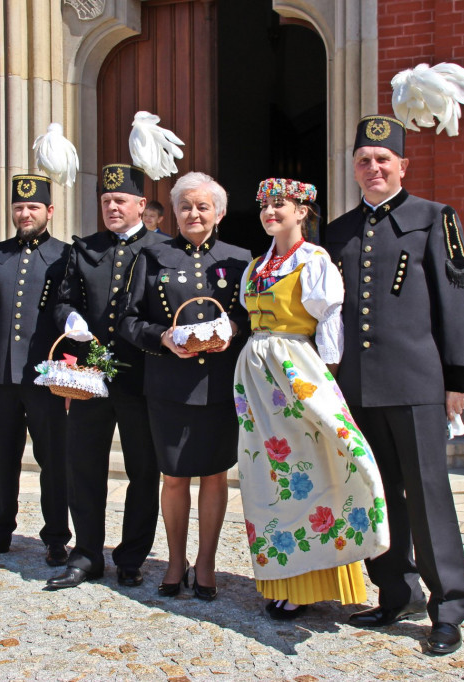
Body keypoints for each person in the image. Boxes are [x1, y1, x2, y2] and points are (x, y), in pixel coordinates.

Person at [323, 115, 464, 655]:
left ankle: (449, 607)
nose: (372, 168)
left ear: (402, 166)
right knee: (376, 495)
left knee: (429, 495)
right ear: (354, 169)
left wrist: (460, 377)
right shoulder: (337, 232)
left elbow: (457, 301)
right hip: (357, 387)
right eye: (363, 161)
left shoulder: (435, 219)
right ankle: (395, 592)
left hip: (417, 382)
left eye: (382, 159)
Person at [233, 178, 390, 621]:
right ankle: (283, 578)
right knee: (268, 476)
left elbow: (329, 323)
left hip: (296, 371)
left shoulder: (314, 261)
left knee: (306, 469)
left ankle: (314, 582)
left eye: (279, 205)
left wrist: (327, 379)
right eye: (264, 205)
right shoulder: (257, 265)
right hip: (256, 375)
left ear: (303, 211)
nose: (270, 212)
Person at [119, 172, 251, 600]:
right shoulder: (152, 256)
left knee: (214, 476)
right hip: (168, 384)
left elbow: (254, 319)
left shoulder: (240, 258)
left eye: (202, 206)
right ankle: (176, 561)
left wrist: (233, 325)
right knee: (173, 476)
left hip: (219, 384)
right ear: (173, 212)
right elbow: (128, 319)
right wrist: (161, 337)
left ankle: (207, 562)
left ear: (220, 212)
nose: (193, 213)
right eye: (185, 206)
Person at [45, 162, 166, 590]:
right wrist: (71, 317)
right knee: (84, 467)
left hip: (143, 381)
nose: (112, 208)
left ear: (140, 204)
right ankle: (86, 554)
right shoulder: (84, 249)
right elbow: (61, 301)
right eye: (105, 201)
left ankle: (132, 556)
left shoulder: (162, 248)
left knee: (143, 471)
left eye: (120, 201)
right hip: (90, 381)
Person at [0, 173, 71, 565]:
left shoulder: (64, 255)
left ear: (49, 211)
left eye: (33, 207)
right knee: (1, 458)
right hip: (0, 378)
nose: (25, 214)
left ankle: (57, 536)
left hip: (46, 379)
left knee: (54, 460)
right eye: (19, 208)